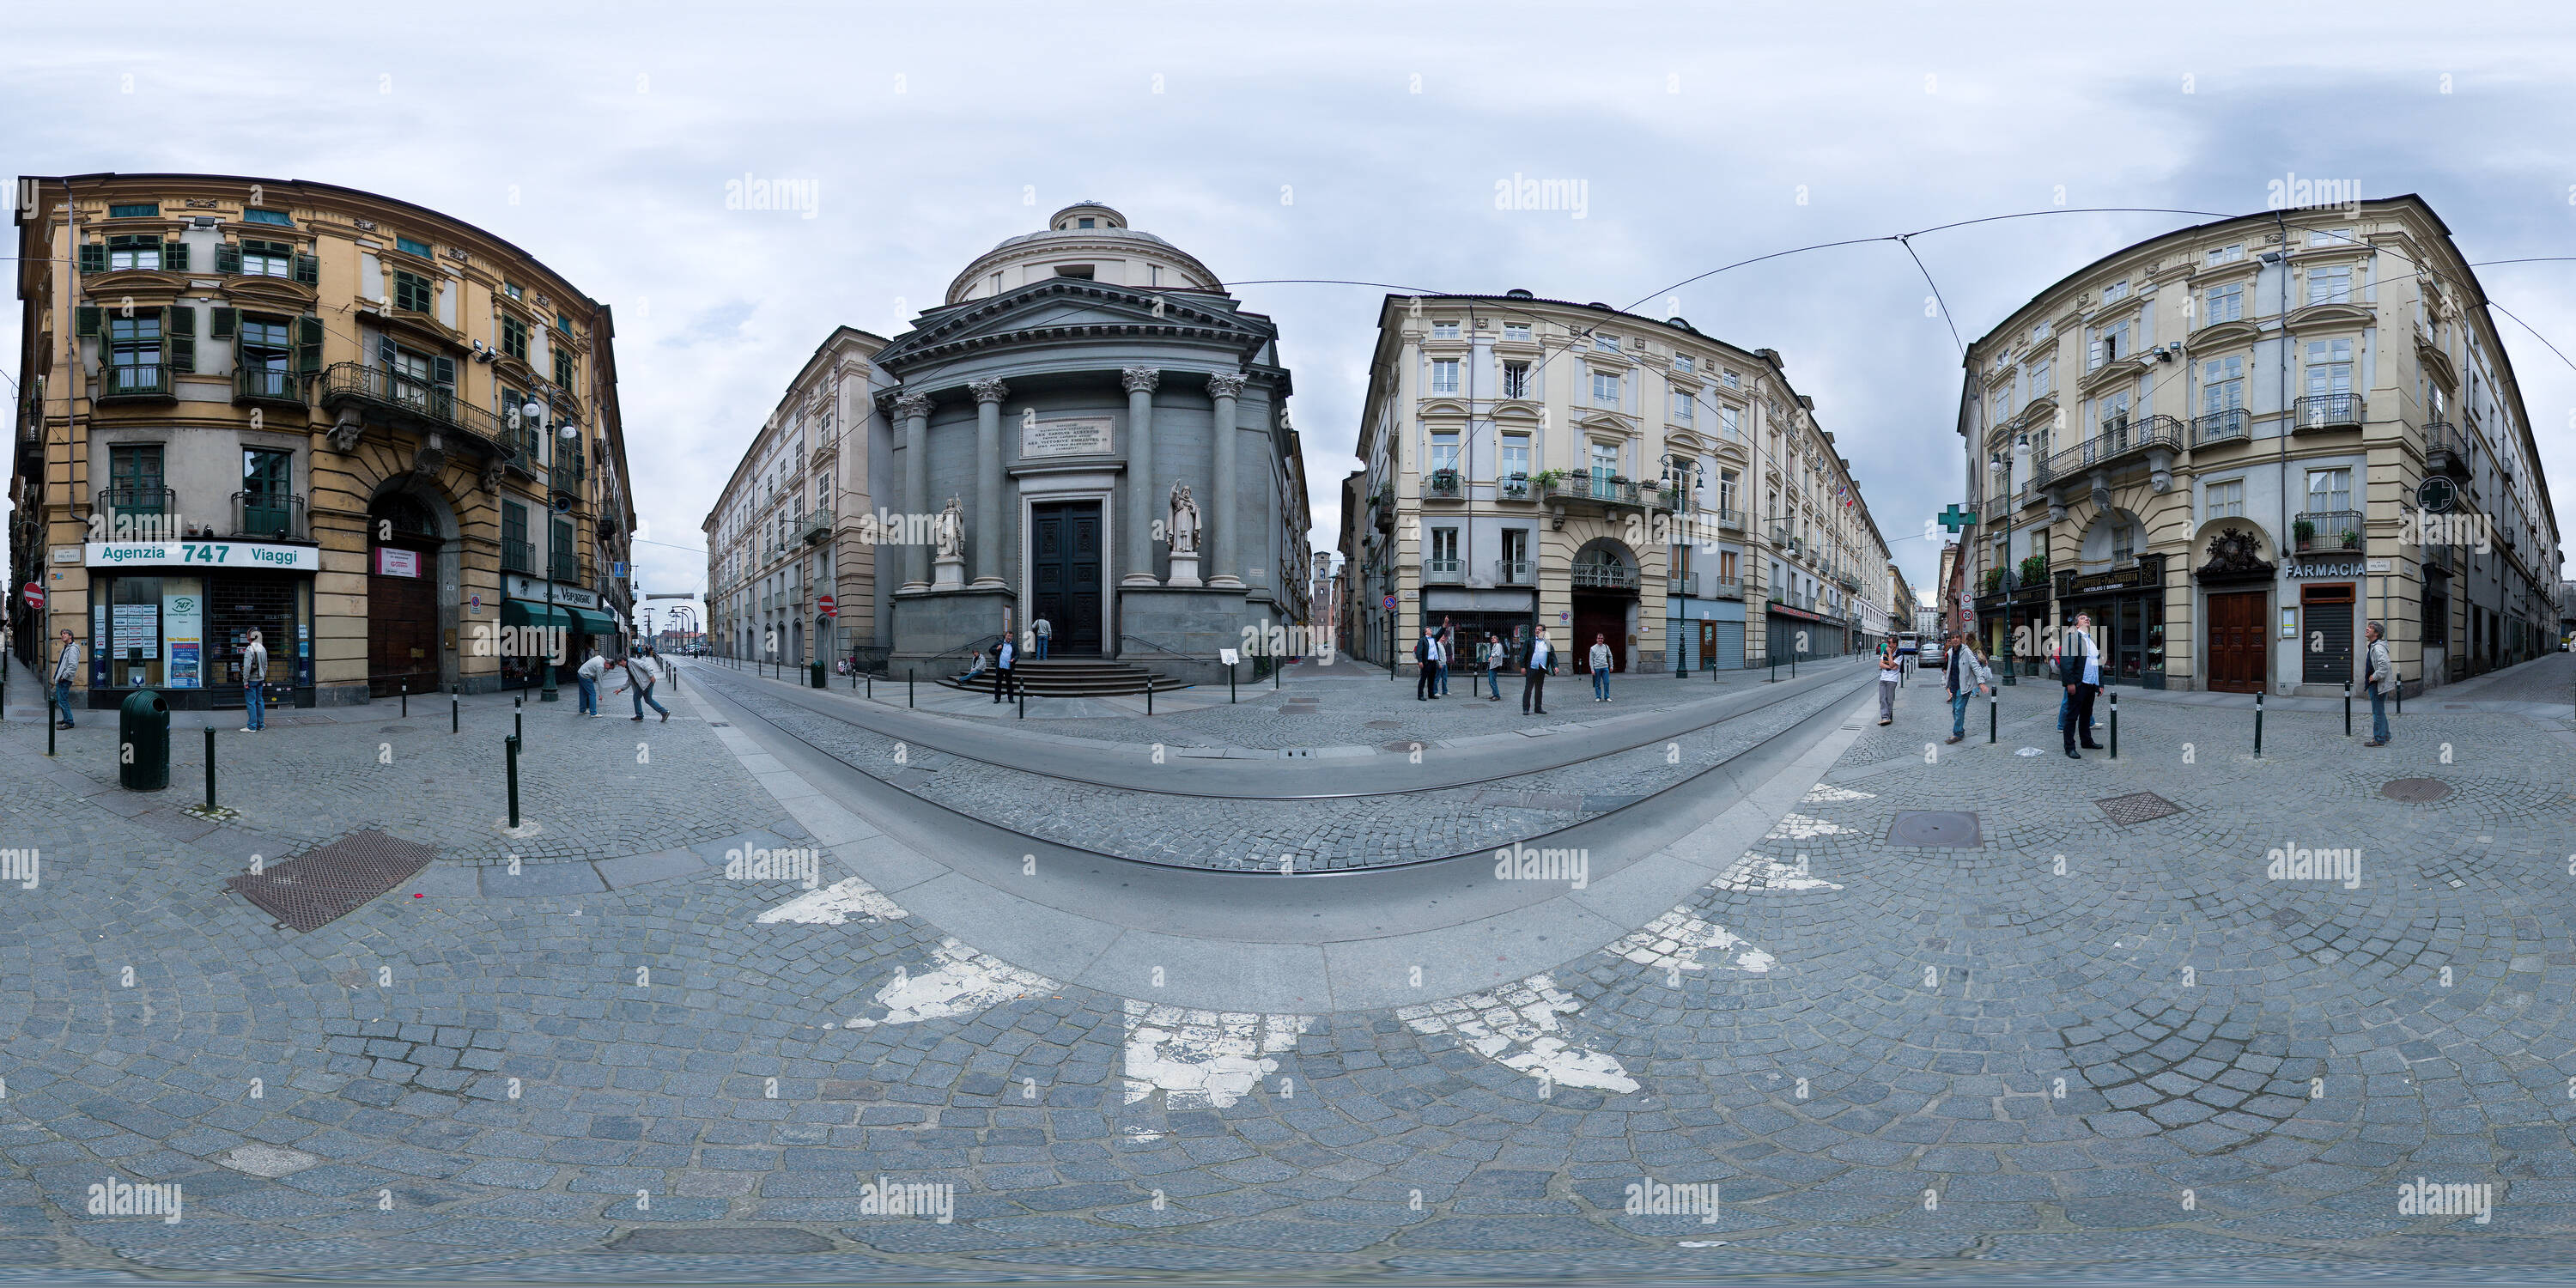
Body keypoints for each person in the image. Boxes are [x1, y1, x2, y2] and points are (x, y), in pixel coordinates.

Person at [2060, 611, 2103, 758]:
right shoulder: (2072, 637)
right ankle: (2069, 747)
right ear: (2077, 624)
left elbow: (2098, 663)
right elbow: (2066, 662)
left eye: (2088, 618)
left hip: (2090, 684)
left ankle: (2086, 741)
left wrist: (2099, 684)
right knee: (2072, 716)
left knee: (2086, 715)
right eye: (2083, 618)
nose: (2087, 620)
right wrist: (2070, 683)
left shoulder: (2092, 641)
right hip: (2078, 684)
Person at [1941, 632, 1994, 744]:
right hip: (1954, 685)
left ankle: (1957, 734)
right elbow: (1948, 668)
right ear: (1950, 640)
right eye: (1953, 638)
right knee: (1955, 710)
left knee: (1959, 709)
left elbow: (1976, 667)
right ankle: (1960, 730)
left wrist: (1981, 683)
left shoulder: (1966, 652)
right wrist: (1946, 682)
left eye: (1957, 637)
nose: (1955, 640)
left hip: (1965, 686)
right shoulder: (1950, 652)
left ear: (1961, 639)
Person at [2361, 620, 2393, 746]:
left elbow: (2384, 666)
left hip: (2377, 685)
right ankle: (2385, 735)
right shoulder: (2374, 646)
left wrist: (2374, 677)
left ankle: (2379, 739)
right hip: (2376, 684)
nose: (2367, 629)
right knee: (2380, 711)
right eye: (2368, 626)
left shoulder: (2378, 648)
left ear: (2376, 633)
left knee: (2377, 712)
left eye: (2371, 628)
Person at [613, 657, 669, 722]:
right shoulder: (627, 667)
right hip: (646, 683)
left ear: (622, 660)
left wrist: (651, 675)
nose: (620, 666)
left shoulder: (632, 662)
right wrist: (621, 689)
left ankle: (639, 716)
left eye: (619, 664)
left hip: (644, 683)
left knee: (636, 698)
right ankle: (664, 712)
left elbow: (645, 666)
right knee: (648, 700)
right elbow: (629, 681)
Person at [52, 628, 79, 730]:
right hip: (61, 678)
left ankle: (69, 722)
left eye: (65, 634)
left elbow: (73, 666)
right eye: (61, 634)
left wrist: (63, 676)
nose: (62, 635)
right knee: (61, 700)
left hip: (65, 679)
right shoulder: (66, 648)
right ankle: (66, 718)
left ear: (70, 636)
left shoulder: (72, 649)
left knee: (63, 701)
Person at [241, 629, 269, 732]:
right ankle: (260, 724)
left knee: (251, 702)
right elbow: (266, 665)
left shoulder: (250, 649)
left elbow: (247, 667)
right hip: (261, 679)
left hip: (252, 679)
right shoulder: (262, 648)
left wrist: (245, 681)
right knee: (259, 701)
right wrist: (263, 675)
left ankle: (252, 726)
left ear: (250, 637)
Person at [1523, 625, 1554, 714]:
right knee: (1528, 689)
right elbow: (1523, 654)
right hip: (1532, 668)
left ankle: (1538, 708)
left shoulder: (1547, 642)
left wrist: (1555, 666)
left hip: (1541, 669)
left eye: (1539, 630)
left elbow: (1552, 655)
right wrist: (1523, 667)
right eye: (1536, 629)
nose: (1537, 631)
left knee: (1539, 689)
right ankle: (1526, 709)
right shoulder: (1529, 641)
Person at [1876, 640, 1901, 725]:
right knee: (1882, 699)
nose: (1888, 644)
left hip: (1892, 679)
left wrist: (1890, 654)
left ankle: (1887, 717)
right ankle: (1885, 717)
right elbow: (1881, 664)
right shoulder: (1884, 652)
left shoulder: (1899, 654)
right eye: (1888, 642)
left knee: (1889, 699)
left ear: (1895, 644)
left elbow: (1891, 664)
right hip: (1883, 678)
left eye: (1889, 643)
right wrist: (1891, 667)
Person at [575, 649, 606, 717]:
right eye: (609, 667)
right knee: (592, 693)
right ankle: (593, 713)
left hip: (580, 672)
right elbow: (600, 681)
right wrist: (601, 694)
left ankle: (582, 710)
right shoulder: (600, 666)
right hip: (585, 676)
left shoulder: (600, 658)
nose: (607, 668)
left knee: (583, 693)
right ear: (607, 663)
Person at [1414, 626, 1439, 701]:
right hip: (1426, 662)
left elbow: (1440, 634)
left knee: (1432, 679)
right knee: (1423, 679)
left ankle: (1431, 694)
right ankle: (1420, 695)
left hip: (1433, 662)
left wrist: (1445, 624)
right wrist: (1420, 661)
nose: (1431, 630)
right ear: (1426, 632)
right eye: (1429, 629)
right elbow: (1419, 652)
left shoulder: (1434, 639)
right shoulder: (1422, 640)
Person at [1589, 634, 1614, 702]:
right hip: (1597, 668)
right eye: (1599, 638)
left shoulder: (1606, 647)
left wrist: (1611, 666)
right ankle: (1598, 697)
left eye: (1602, 638)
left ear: (1603, 639)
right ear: (1596, 639)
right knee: (1597, 684)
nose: (1600, 640)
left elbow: (1610, 656)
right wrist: (1592, 669)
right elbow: (1591, 660)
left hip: (1605, 668)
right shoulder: (1593, 648)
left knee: (1607, 683)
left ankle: (1607, 697)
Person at [993, 634, 1018, 703]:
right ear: (1005, 636)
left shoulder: (1014, 644)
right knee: (998, 683)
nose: (1009, 637)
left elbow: (1017, 654)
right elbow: (991, 650)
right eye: (1008, 636)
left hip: (1008, 667)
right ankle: (997, 698)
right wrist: (997, 649)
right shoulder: (999, 643)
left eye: (1011, 636)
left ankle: (1011, 698)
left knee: (1009, 683)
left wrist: (1014, 659)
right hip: (1000, 667)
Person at [1436, 618, 1455, 696]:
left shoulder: (1443, 644)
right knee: (1436, 678)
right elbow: (1436, 655)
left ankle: (1445, 691)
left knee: (1445, 679)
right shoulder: (1437, 644)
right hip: (1440, 664)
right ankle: (1435, 691)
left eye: (1444, 636)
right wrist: (1438, 663)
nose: (1444, 637)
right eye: (1442, 636)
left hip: (1444, 664)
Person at [1484, 632, 1505, 701]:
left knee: (1492, 681)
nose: (1493, 639)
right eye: (1492, 638)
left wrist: (1492, 657)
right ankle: (1495, 694)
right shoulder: (1494, 646)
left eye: (1494, 638)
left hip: (1494, 666)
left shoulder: (1498, 645)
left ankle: (1497, 695)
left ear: (1497, 640)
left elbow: (1498, 653)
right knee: (1491, 681)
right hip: (1492, 665)